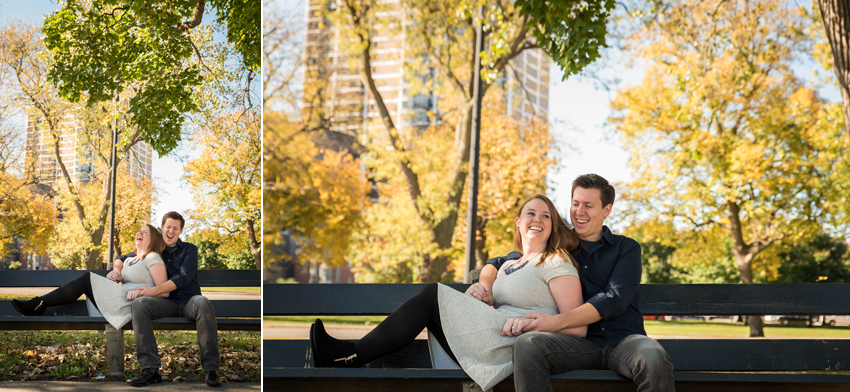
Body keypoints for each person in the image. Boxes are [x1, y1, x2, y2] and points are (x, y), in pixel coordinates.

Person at [310, 194, 586, 391]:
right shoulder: (511, 263)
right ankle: (348, 357)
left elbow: (577, 327)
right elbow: (498, 284)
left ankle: (350, 355)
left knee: (433, 296)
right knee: (432, 303)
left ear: (552, 226)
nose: (538, 219)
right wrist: (485, 296)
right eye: (531, 213)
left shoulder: (556, 261)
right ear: (517, 222)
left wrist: (530, 324)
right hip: (492, 335)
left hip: (515, 348)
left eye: (546, 216)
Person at [474, 174, 674, 392]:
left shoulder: (626, 248)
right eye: (575, 204)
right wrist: (486, 288)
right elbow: (502, 261)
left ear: (606, 210)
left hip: (623, 341)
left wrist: (556, 322)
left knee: (653, 356)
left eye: (588, 205)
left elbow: (614, 298)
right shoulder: (558, 244)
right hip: (576, 345)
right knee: (528, 344)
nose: (579, 212)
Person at [117, 212, 222, 387]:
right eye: (168, 227)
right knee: (139, 304)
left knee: (203, 302)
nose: (171, 231)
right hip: (165, 303)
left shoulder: (190, 249)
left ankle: (211, 370)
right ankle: (150, 370)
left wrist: (153, 290)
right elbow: (122, 258)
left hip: (190, 301)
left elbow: (184, 278)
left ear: (180, 231)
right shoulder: (154, 249)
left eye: (175, 228)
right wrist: (117, 270)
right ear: (162, 228)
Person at [11, 224, 168, 331]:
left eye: (145, 232)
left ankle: (38, 304)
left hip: (132, 305)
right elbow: (123, 271)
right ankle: (38, 304)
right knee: (86, 281)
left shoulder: (153, 257)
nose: (139, 233)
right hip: (120, 299)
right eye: (139, 230)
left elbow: (163, 291)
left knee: (87, 279)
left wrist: (140, 292)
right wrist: (116, 275)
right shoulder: (129, 260)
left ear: (153, 239)